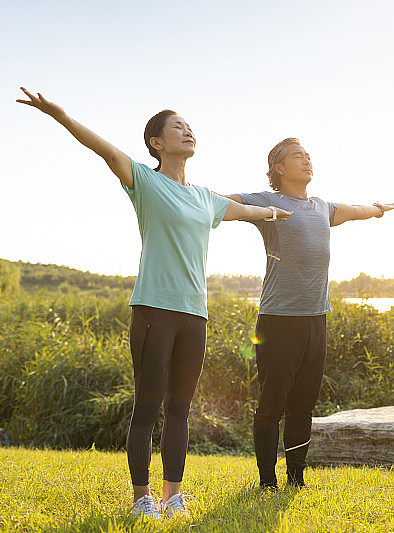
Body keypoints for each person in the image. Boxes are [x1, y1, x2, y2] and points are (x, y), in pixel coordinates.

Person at [16, 88, 291, 519]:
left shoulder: (207, 198)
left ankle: (172, 495)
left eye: (189, 126)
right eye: (177, 127)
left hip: (194, 315)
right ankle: (141, 498)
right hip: (152, 311)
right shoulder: (144, 181)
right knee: (147, 406)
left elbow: (248, 212)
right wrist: (61, 115)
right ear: (157, 143)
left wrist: (277, 214)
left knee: (181, 410)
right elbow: (101, 149)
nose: (187, 130)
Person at [225, 137, 394, 490]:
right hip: (278, 321)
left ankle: (296, 479)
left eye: (308, 156)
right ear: (278, 168)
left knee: (303, 406)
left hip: (317, 319)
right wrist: (192, 198)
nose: (306, 161)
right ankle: (266, 481)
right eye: (296, 157)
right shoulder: (268, 201)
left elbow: (352, 210)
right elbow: (224, 204)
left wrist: (377, 209)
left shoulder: (322, 206)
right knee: (272, 403)